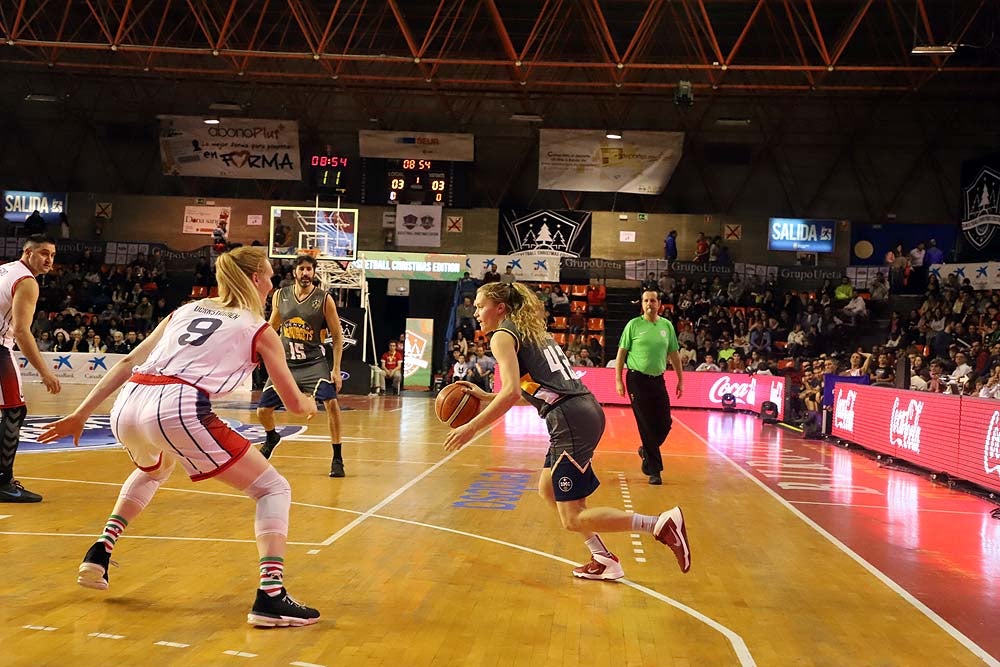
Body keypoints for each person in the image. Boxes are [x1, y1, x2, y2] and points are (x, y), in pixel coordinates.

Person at [37, 247, 321, 627]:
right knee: (273, 488)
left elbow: (128, 361)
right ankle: (271, 595)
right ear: (255, 279)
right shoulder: (259, 328)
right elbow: (293, 403)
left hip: (129, 403)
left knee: (155, 469)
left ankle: (100, 550)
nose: (272, 284)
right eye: (269, 276)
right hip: (177, 405)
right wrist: (310, 403)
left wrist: (81, 414)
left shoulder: (185, 310)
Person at [443, 282, 690, 581]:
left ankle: (659, 524)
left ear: (500, 308)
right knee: (547, 489)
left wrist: (471, 427)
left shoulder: (502, 336)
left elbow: (511, 392)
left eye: (481, 306)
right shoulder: (533, 332)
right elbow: (535, 390)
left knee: (572, 517)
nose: (476, 312)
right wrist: (486, 397)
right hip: (582, 410)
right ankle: (603, 558)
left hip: (570, 419)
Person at [256, 254, 345, 477]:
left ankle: (337, 458)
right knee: (262, 411)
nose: (305, 273)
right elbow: (272, 326)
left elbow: (337, 336)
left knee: (332, 404)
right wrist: (258, 349)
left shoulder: (324, 299)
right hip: (286, 363)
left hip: (313, 362)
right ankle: (271, 437)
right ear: (294, 272)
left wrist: (336, 369)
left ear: (314, 273)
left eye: (309, 269)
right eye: (302, 269)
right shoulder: (281, 295)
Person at [0, 235, 62, 502]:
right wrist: (45, 372)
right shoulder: (26, 281)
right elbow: (22, 331)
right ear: (28, 253)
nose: (49, 260)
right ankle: (3, 483)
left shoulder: (5, 269)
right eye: (44, 253)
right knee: (14, 410)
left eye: (52, 255)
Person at [614, 289, 684, 486]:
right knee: (645, 424)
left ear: (659, 304)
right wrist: (618, 380)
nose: (649, 304)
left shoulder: (666, 326)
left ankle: (646, 450)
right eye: (646, 301)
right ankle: (654, 470)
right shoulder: (633, 325)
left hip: (658, 380)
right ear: (642, 304)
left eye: (653, 300)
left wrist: (680, 379)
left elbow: (674, 354)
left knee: (665, 423)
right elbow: (621, 354)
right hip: (636, 379)